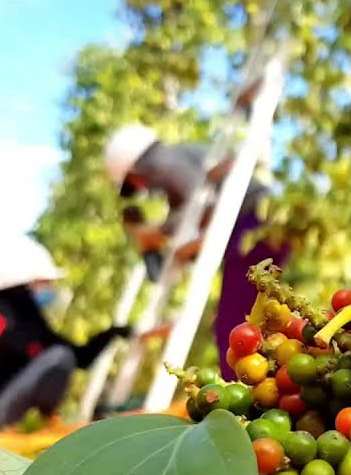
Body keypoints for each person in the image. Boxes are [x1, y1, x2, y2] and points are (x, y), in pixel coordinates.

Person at [103, 81, 288, 382]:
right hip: (257, 221)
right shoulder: (173, 161)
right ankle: (264, 383)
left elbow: (200, 203)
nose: (140, 189)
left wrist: (156, 232)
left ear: (132, 170)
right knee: (247, 316)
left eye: (132, 185)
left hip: (254, 222)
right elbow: (194, 218)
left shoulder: (160, 163)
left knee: (235, 321)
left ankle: (246, 389)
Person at [0, 237, 129, 431]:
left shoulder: (31, 322)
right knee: (60, 356)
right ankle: (43, 423)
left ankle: (45, 423)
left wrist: (112, 332)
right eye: (45, 282)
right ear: (27, 283)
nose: (50, 288)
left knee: (61, 355)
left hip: (0, 409)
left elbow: (80, 358)